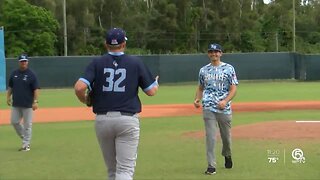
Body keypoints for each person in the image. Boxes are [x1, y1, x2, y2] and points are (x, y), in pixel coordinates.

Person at [74, 27, 159, 180]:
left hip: (103, 120)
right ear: (124, 44)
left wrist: (85, 99)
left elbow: (79, 87)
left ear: (106, 44)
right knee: (125, 171)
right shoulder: (135, 62)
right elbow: (151, 91)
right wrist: (156, 83)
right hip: (127, 119)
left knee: (112, 171)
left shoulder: (96, 63)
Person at [194, 43, 238, 175]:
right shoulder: (203, 70)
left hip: (224, 108)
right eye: (211, 52)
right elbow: (201, 87)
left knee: (226, 138)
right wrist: (197, 99)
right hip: (208, 107)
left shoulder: (229, 69)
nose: (214, 54)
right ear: (208, 54)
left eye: (216, 51)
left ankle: (227, 154)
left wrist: (225, 100)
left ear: (221, 53)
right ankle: (211, 165)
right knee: (210, 137)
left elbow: (233, 88)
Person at [7, 53, 40, 151]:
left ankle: (26, 144)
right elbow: (10, 87)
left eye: (25, 61)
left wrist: (35, 101)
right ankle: (26, 139)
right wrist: (8, 97)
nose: (23, 63)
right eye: (22, 61)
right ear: (19, 62)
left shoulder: (31, 74)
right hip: (16, 103)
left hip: (28, 104)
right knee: (14, 121)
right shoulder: (14, 73)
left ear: (27, 62)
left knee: (27, 125)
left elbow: (36, 89)